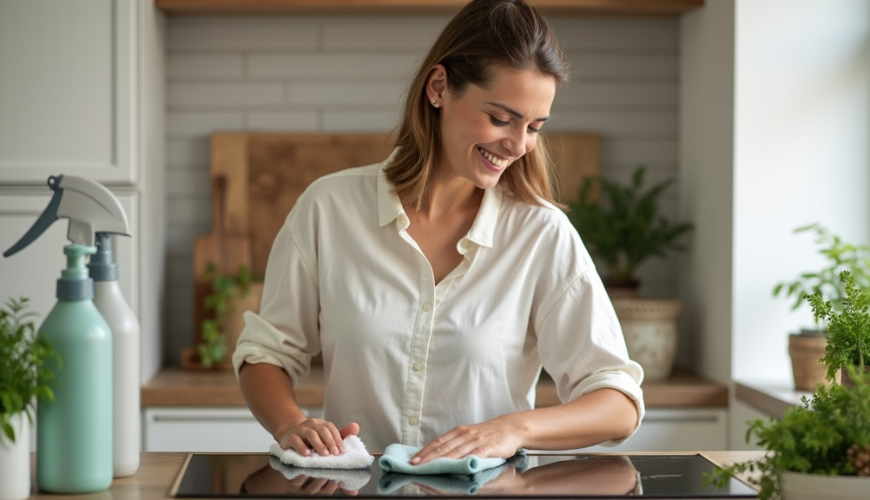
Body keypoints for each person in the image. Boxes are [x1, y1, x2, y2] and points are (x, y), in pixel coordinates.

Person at [233, 0, 644, 465]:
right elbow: (265, 352)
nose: (518, 144)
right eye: (500, 118)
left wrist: (515, 428)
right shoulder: (329, 209)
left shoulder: (542, 234)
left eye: (534, 127)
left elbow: (619, 403)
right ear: (439, 87)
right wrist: (291, 423)